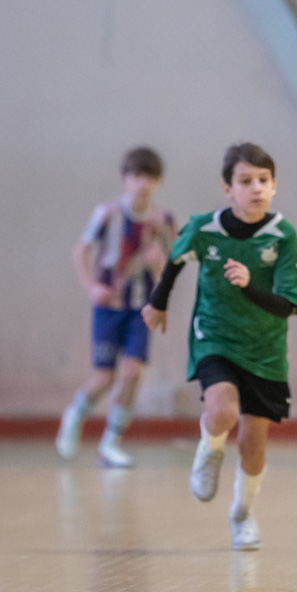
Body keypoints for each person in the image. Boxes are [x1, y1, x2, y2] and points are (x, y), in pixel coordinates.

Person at [141, 143, 297, 550]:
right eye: (246, 181)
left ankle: (242, 514)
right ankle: (209, 449)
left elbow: (288, 305)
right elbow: (175, 260)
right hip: (214, 337)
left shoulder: (282, 234)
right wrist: (158, 303)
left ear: (274, 186)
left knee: (253, 444)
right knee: (222, 410)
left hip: (266, 349)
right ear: (228, 189)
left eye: (263, 180)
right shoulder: (205, 228)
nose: (256, 188)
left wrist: (248, 285)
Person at [56, 146, 176, 468]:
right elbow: (81, 250)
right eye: (136, 176)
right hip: (109, 306)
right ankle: (75, 413)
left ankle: (110, 444)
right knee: (104, 378)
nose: (142, 184)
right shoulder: (107, 213)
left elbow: (173, 265)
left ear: (158, 182)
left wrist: (160, 266)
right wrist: (91, 287)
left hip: (141, 308)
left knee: (133, 372)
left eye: (149, 177)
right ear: (125, 178)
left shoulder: (164, 221)